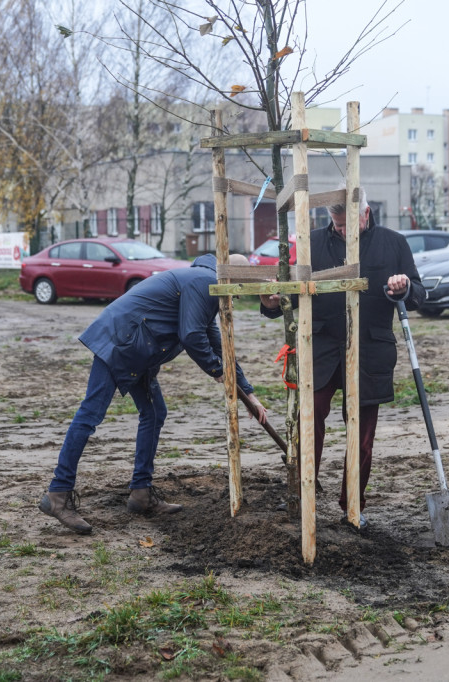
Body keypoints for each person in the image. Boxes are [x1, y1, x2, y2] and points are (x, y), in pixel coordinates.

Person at [39, 253, 268, 534]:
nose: (237, 298)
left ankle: (141, 493)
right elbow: (192, 335)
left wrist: (248, 392)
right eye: (239, 290)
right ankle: (57, 495)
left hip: (138, 348)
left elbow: (218, 346)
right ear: (232, 278)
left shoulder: (201, 284)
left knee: (154, 412)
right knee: (89, 415)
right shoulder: (204, 282)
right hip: (120, 343)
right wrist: (216, 371)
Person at [260, 188, 426, 529]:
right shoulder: (312, 243)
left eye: (346, 224)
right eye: (335, 225)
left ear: (365, 214)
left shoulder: (393, 243)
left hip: (369, 353)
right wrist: (272, 302)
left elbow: (419, 295)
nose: (340, 231)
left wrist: (404, 286)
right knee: (309, 425)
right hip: (321, 352)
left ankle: (353, 505)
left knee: (362, 438)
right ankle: (303, 496)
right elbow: (285, 298)